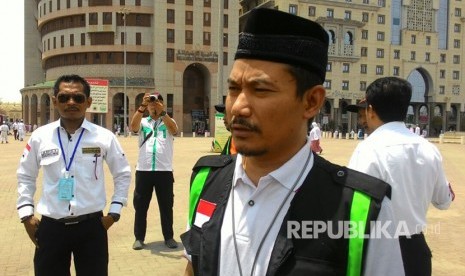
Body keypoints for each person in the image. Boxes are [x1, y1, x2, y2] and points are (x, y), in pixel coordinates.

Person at [181, 8, 404, 276]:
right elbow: (194, 264)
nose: (237, 107)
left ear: (311, 101)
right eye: (233, 89)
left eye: (260, 90)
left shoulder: (361, 209)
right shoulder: (206, 180)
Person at [16, 74, 131, 276]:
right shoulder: (40, 137)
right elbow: (26, 175)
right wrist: (26, 214)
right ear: (54, 101)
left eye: (78, 98)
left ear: (88, 102)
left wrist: (114, 213)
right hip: (51, 227)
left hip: (91, 228)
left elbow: (122, 174)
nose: (71, 102)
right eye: (64, 97)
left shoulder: (104, 137)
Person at [348, 77, 455, 276]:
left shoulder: (368, 149)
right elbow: (444, 201)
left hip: (379, 250)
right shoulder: (429, 149)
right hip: (416, 251)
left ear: (370, 110)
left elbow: (353, 205)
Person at [130, 91, 179, 250]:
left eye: (156, 101)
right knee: (141, 205)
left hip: (164, 171)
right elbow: (133, 127)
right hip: (144, 170)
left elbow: (174, 130)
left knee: (166, 206)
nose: (153, 104)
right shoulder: (143, 121)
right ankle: (139, 237)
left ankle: (169, 237)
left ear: (162, 104)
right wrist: (142, 106)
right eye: (150, 102)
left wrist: (163, 112)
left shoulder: (169, 121)